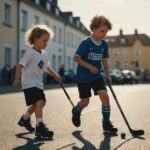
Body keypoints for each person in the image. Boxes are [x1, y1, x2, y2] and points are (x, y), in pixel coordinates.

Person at [13, 24, 61, 138]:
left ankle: (25, 119)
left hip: (38, 83)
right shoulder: (30, 52)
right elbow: (19, 65)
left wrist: (55, 75)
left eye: (47, 41)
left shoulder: (44, 54)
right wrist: (16, 78)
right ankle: (40, 127)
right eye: (44, 40)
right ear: (35, 39)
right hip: (29, 83)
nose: (46, 43)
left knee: (41, 103)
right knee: (39, 102)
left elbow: (46, 68)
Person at [72, 14, 117, 133]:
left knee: (105, 96)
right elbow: (76, 58)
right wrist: (89, 66)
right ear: (93, 28)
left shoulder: (104, 44)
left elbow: (104, 60)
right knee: (85, 101)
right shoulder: (86, 42)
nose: (104, 34)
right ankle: (76, 110)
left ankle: (106, 123)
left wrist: (107, 75)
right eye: (102, 31)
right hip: (83, 77)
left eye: (106, 32)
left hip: (97, 76)